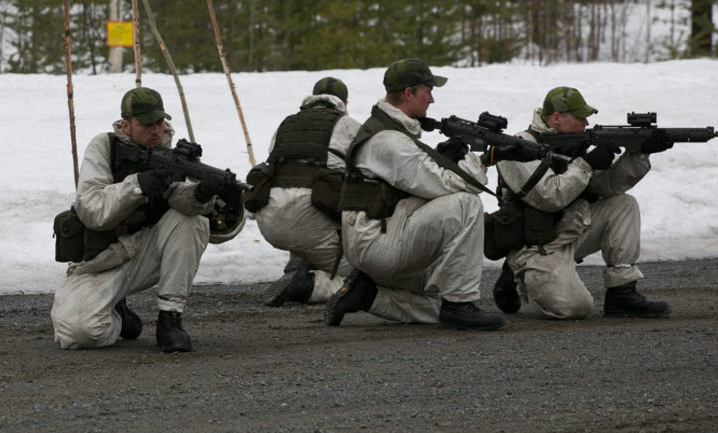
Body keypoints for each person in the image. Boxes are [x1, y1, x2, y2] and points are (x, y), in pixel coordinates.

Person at [323, 58, 532, 331]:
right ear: (408, 93)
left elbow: (416, 181)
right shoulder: (389, 141)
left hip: (378, 233)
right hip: (377, 243)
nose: (431, 100)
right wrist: (483, 160)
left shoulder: (389, 129)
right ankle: (459, 305)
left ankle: (371, 295)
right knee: (467, 204)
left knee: (438, 292)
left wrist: (448, 158)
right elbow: (446, 185)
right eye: (427, 91)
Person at [51, 87, 229, 352]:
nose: (156, 130)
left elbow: (183, 202)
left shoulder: (172, 155)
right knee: (79, 333)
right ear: (126, 124)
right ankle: (119, 317)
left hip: (146, 252)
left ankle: (170, 319)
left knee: (194, 220)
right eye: (147, 124)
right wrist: (137, 185)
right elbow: (90, 209)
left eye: (159, 122)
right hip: (101, 261)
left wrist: (201, 193)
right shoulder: (104, 147)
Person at [491, 86, 672, 319]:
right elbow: (550, 196)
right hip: (535, 246)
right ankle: (517, 275)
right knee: (576, 307)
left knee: (623, 204)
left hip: (571, 229)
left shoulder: (574, 143)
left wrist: (638, 154)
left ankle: (622, 293)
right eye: (579, 117)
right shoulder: (519, 147)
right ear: (556, 118)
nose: (586, 123)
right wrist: (585, 164)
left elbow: (607, 187)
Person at [256, 77, 361, 307]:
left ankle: (300, 261)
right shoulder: (349, 126)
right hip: (313, 226)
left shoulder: (285, 125)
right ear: (344, 103)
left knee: (301, 190)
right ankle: (308, 284)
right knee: (366, 279)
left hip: (270, 224)